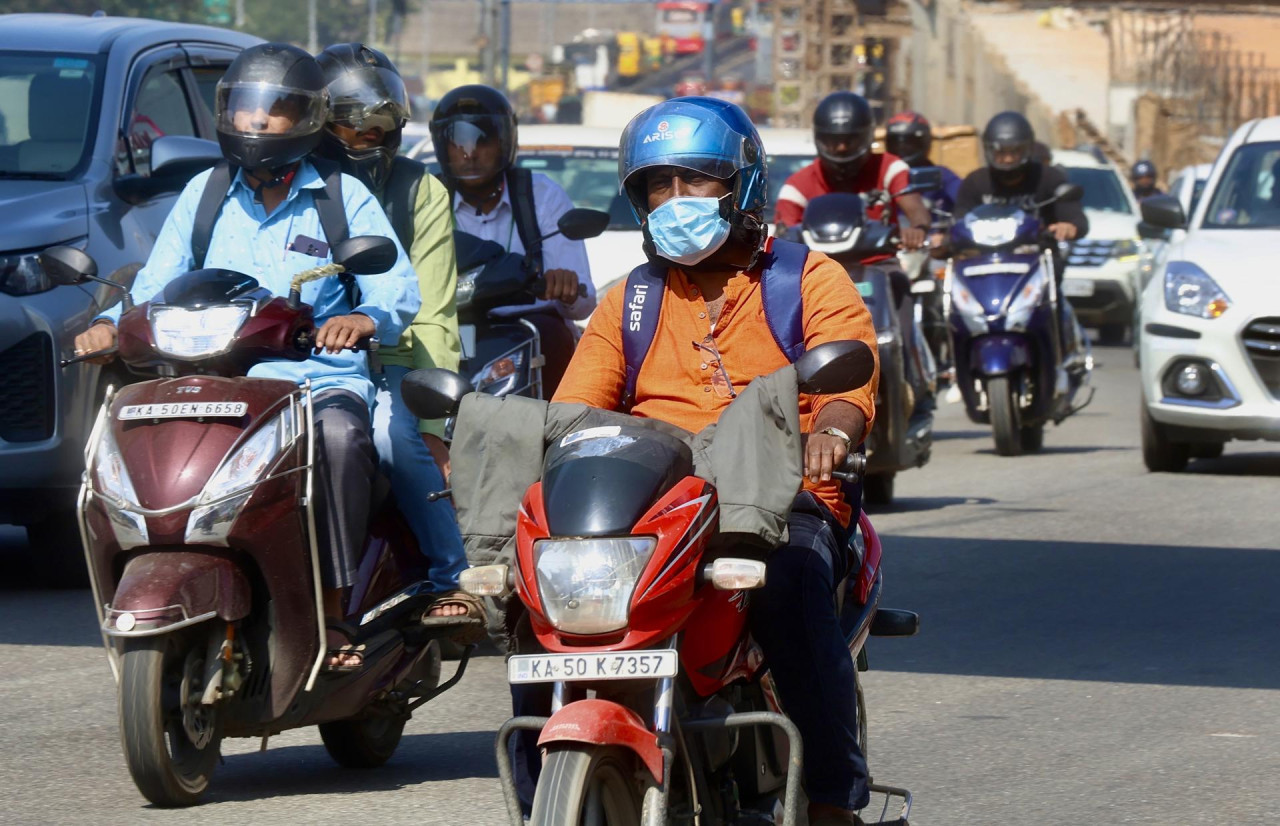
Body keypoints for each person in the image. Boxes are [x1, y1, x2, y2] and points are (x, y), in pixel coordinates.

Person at [535, 97, 882, 825]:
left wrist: (834, 436)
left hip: (787, 485)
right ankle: (537, 773)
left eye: (693, 182)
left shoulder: (807, 278)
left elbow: (851, 381)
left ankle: (832, 798)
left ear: (744, 185)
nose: (673, 203)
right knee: (529, 598)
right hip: (661, 497)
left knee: (788, 580)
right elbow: (575, 411)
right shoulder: (627, 301)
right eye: (656, 188)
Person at [72, 43, 421, 670]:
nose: (256, 123)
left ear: (308, 118)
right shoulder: (205, 193)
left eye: (275, 111)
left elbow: (395, 285)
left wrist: (361, 317)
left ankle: (337, 611)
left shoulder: (341, 195)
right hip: (212, 378)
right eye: (244, 108)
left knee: (340, 440)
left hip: (315, 382)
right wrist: (106, 326)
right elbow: (154, 282)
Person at [315, 43, 480, 631]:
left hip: (390, 363)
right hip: (292, 361)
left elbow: (434, 312)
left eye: (382, 127)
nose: (368, 139)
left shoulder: (420, 191)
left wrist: (430, 423)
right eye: (351, 126)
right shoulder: (295, 184)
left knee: (391, 438)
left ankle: (450, 575)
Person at [428, 85, 593, 397]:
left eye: (483, 139)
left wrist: (567, 288)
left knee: (555, 337)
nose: (470, 152)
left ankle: (550, 437)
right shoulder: (427, 198)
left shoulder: (542, 195)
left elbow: (583, 305)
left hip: (529, 332)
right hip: (449, 329)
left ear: (505, 139)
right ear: (442, 145)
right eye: (457, 141)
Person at [953, 111, 1089, 345]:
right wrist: (942, 238)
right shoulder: (975, 182)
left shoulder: (1048, 178)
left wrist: (1068, 226)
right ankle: (957, 356)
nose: (1007, 159)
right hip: (985, 265)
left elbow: (1075, 218)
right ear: (988, 150)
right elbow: (957, 223)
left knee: (1051, 287)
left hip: (1036, 264)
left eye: (1014, 152)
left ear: (1027, 149)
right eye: (1000, 152)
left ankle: (1058, 346)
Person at [775, 91, 933, 250]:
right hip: (820, 270)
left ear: (868, 136)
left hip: (879, 263)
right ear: (819, 139)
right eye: (833, 141)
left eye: (850, 140)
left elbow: (914, 205)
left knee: (903, 276)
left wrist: (918, 229)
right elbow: (784, 236)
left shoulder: (889, 167)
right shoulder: (796, 186)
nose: (842, 148)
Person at [884, 109, 962, 215]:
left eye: (909, 144)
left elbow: (965, 201)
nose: (901, 150)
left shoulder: (941, 175)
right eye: (895, 144)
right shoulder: (881, 177)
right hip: (889, 230)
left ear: (924, 143)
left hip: (933, 230)